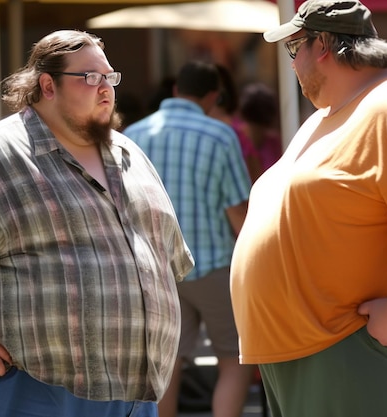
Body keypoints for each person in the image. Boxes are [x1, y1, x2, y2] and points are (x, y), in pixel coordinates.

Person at [0, 29, 193, 417]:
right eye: (91, 77)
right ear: (47, 85)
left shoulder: (129, 154)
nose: (106, 88)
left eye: (110, 77)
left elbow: (165, 255)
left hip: (133, 388)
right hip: (32, 385)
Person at [229, 1, 387, 417]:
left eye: (294, 49)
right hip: (315, 351)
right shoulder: (329, 116)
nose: (291, 64)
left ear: (322, 44)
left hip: (362, 350)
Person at [124, 60, 254, 417]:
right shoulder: (220, 135)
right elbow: (237, 213)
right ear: (214, 96)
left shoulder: (133, 135)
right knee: (235, 358)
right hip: (212, 266)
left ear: (177, 91)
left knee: (166, 364)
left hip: (155, 271)